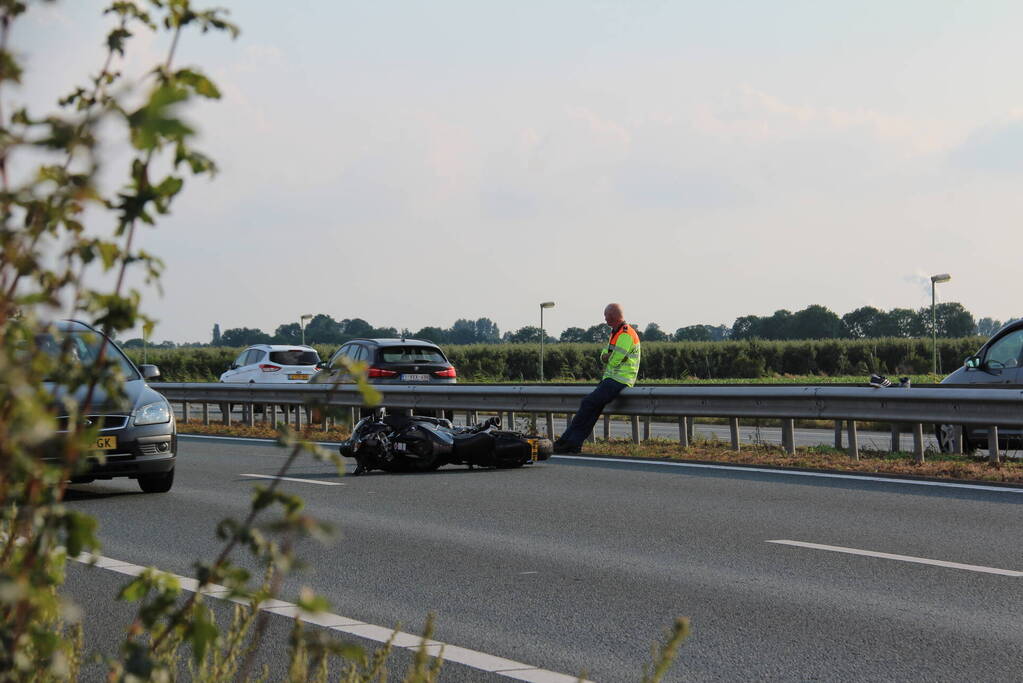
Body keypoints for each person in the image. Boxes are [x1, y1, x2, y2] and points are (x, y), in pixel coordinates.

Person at [553, 303, 641, 454]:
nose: (604, 318)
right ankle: (571, 443)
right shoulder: (616, 332)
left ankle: (568, 442)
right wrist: (606, 357)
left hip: (620, 380)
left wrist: (608, 357)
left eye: (606, 315)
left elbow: (614, 360)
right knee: (591, 409)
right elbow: (604, 355)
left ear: (612, 315)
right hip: (612, 379)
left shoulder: (625, 334)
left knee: (588, 403)